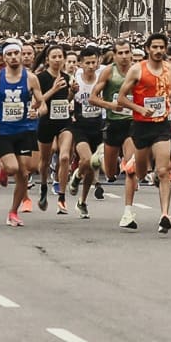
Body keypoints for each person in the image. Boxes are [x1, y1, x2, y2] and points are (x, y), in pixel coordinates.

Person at [116, 33, 171, 233]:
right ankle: (128, 208)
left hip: (162, 126)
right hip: (141, 126)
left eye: (161, 47)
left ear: (165, 49)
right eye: (155, 47)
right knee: (139, 173)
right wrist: (140, 109)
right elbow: (122, 99)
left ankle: (165, 215)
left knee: (163, 171)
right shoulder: (137, 70)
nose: (158, 51)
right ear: (148, 49)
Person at [0, 39, 44, 227]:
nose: (13, 57)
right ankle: (2, 167)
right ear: (4, 57)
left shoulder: (31, 78)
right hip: (5, 131)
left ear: (21, 55)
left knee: (25, 172)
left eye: (15, 53)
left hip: (26, 129)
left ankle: (13, 212)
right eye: (8, 54)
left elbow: (43, 104)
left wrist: (38, 111)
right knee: (13, 169)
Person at [89, 39, 134, 190]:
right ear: (114, 55)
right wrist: (111, 105)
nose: (124, 56)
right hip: (113, 122)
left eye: (127, 52)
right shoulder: (108, 71)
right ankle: (100, 156)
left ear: (131, 54)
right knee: (110, 173)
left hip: (132, 121)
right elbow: (92, 98)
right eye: (120, 53)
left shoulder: (137, 70)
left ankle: (129, 171)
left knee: (131, 166)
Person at [36, 44, 75, 214]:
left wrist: (72, 92)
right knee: (45, 160)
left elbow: (66, 99)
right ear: (47, 60)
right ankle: (44, 185)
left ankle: (62, 196)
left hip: (64, 122)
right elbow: (37, 101)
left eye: (60, 56)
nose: (58, 60)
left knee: (65, 157)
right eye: (54, 57)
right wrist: (53, 89)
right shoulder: (40, 78)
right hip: (46, 123)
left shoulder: (67, 77)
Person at [68, 46, 105, 218]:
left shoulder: (102, 77)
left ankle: (82, 201)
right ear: (81, 64)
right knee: (87, 159)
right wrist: (71, 92)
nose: (91, 66)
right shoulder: (75, 79)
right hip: (80, 125)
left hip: (99, 125)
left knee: (93, 166)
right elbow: (66, 99)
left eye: (93, 62)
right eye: (87, 63)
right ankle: (77, 175)